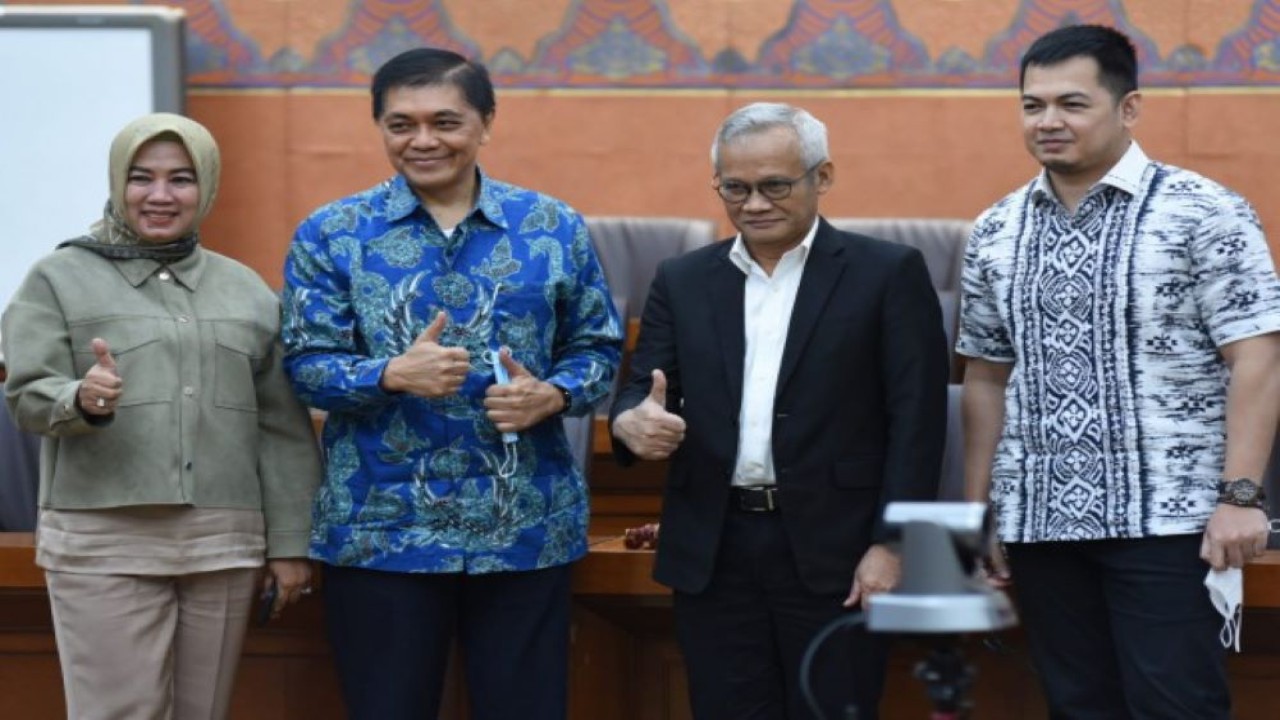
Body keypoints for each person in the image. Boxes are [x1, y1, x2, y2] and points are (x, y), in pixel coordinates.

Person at [280, 48, 622, 720]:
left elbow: (599, 348)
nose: (423, 140)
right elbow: (305, 364)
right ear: (378, 127)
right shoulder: (331, 234)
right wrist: (388, 374)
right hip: (382, 531)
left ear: (485, 123)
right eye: (401, 124)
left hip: (524, 525)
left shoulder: (551, 227)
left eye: (445, 121)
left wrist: (553, 395)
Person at [958, 24, 1280, 719]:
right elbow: (985, 376)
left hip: (1168, 520)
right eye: (1031, 104)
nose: (1048, 122)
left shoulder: (1205, 210)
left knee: (1176, 707)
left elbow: (1257, 354)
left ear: (1128, 107)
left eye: (1072, 104)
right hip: (1040, 523)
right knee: (1077, 708)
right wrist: (978, 509)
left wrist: (1242, 495)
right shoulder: (995, 230)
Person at [610, 102, 950, 720]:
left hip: (838, 549)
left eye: (775, 186)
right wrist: (632, 425)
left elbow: (917, 423)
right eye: (734, 188)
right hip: (714, 550)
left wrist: (894, 543)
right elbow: (638, 396)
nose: (754, 204)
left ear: (822, 177)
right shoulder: (683, 279)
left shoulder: (886, 273)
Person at [1, 113, 322, 720]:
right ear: (118, 182)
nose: (159, 195)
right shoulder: (57, 278)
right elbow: (25, 393)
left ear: (207, 186)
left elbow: (281, 428)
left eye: (181, 179)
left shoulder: (248, 290)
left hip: (222, 544)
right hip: (103, 540)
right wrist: (81, 398)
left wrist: (289, 544)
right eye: (141, 178)